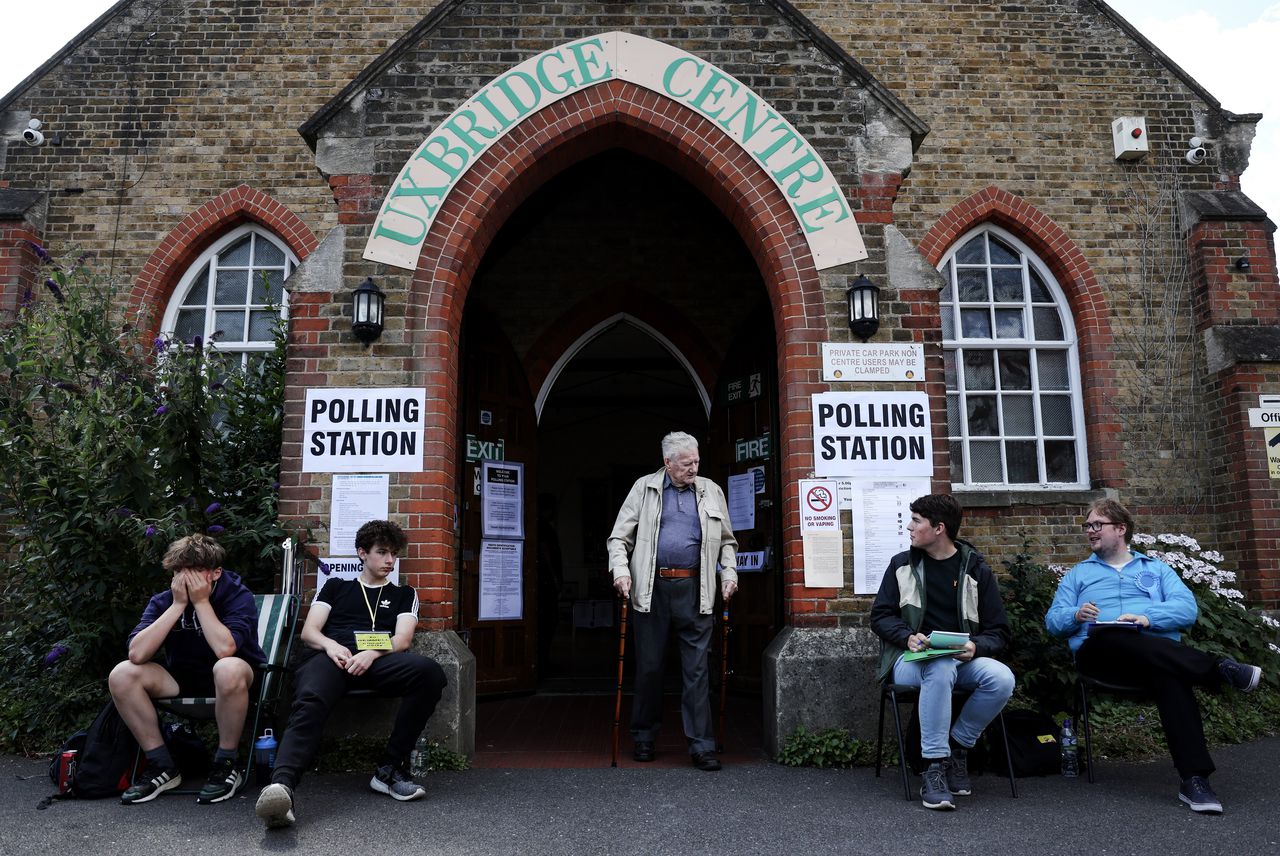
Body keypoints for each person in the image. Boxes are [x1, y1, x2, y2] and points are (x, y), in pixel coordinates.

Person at [1045, 498, 1263, 814]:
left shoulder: (1156, 569)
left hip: (1152, 657)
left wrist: (1147, 618)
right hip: (1100, 655)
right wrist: (1075, 615)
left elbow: (1187, 609)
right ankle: (1221, 670)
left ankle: (1194, 780)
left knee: (1170, 675)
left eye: (1097, 525)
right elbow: (1052, 621)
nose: (1090, 531)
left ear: (1120, 529)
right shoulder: (1078, 575)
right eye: (1088, 526)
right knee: (1115, 634)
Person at [255, 520, 447, 828]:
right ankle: (282, 789)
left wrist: (371, 653)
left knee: (429, 673)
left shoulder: (404, 594)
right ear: (362, 553)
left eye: (393, 554)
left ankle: (389, 770)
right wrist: (331, 647)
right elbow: (310, 632)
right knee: (311, 698)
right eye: (382, 552)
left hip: (379, 659)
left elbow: (403, 639)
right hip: (333, 657)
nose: (389, 561)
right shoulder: (335, 587)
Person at [869, 494, 1014, 811]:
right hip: (909, 661)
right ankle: (933, 767)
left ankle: (958, 747)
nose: (910, 526)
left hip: (960, 659)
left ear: (939, 528)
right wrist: (907, 637)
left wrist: (976, 647)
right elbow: (879, 616)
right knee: (939, 667)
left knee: (1001, 678)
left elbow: (999, 630)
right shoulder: (901, 566)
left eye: (917, 520)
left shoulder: (976, 569)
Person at [607, 431, 738, 771]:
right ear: (667, 463)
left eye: (696, 461)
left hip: (697, 590)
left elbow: (727, 542)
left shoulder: (711, 490)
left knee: (697, 671)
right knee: (650, 667)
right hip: (652, 591)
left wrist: (730, 575)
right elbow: (618, 537)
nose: (694, 468)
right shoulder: (644, 488)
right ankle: (644, 737)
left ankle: (702, 745)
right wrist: (621, 571)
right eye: (686, 463)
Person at [110, 533, 265, 805]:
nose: (184, 578)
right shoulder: (163, 601)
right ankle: (161, 765)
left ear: (215, 573)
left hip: (236, 680)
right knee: (122, 674)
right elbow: (137, 652)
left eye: (193, 571)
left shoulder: (236, 595)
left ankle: (226, 763)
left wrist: (202, 602)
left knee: (226, 668)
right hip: (181, 679)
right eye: (179, 571)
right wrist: (178, 605)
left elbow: (225, 649)